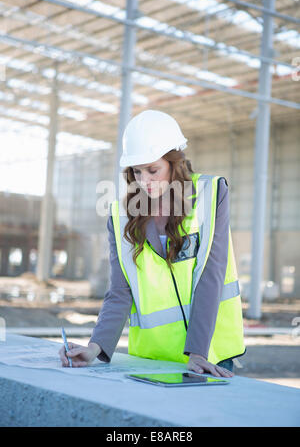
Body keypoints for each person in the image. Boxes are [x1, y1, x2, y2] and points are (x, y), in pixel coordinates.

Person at [59, 110, 245, 377]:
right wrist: (94, 347)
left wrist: (198, 352)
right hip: (150, 357)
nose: (144, 181)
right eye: (136, 171)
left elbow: (210, 273)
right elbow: (120, 291)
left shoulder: (210, 194)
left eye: (153, 170)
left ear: (174, 162)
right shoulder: (121, 216)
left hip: (208, 354)